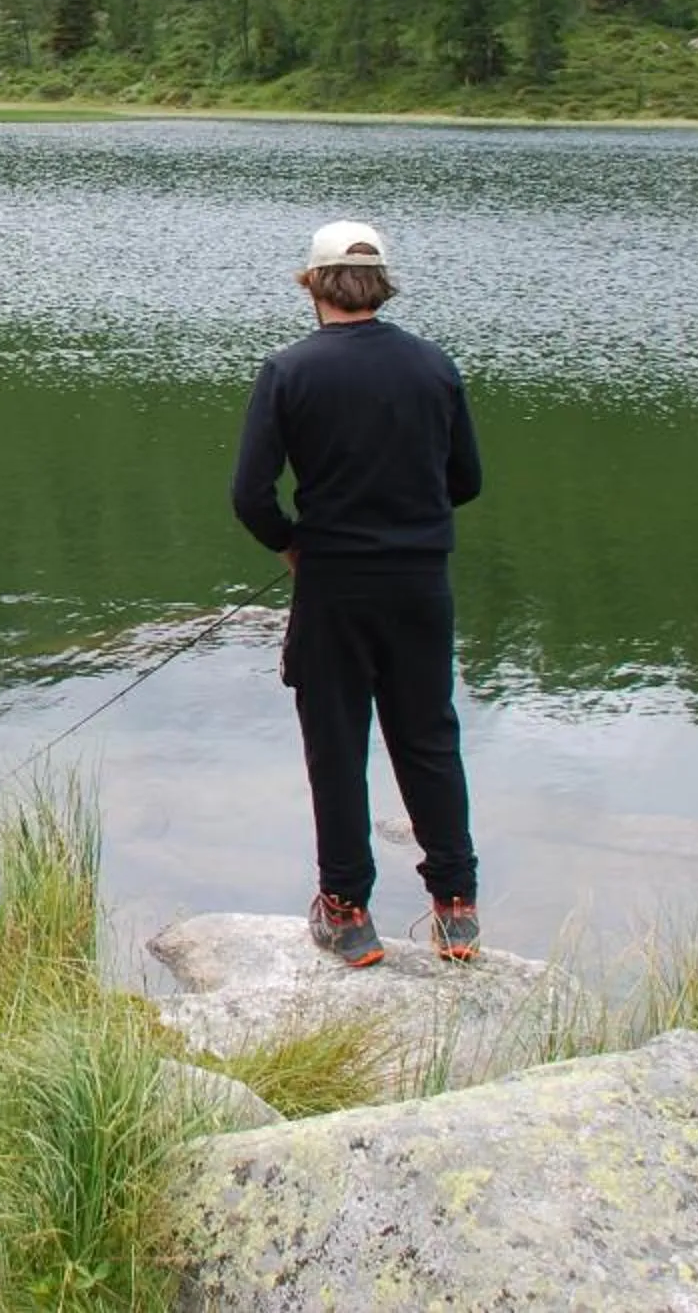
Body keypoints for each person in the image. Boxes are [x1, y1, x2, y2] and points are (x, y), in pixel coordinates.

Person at [229, 220, 483, 967]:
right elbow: (465, 481)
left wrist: (292, 544)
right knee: (429, 737)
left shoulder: (289, 371)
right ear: (381, 285)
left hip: (335, 585)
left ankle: (346, 912)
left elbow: (250, 495)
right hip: (421, 584)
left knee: (338, 746)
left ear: (313, 285)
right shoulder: (434, 367)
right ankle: (457, 908)